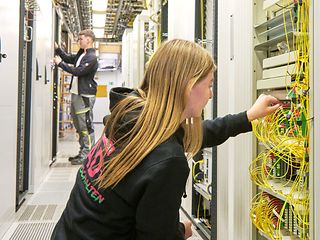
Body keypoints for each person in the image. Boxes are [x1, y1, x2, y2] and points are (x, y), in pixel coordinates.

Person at [51, 39, 280, 239]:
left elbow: (193, 135)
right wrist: (180, 231)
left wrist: (248, 117)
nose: (211, 94)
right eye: (209, 85)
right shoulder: (167, 161)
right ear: (188, 86)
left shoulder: (129, 114)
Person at [54, 29, 98, 165]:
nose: (79, 41)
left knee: (86, 126)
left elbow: (79, 71)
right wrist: (58, 51)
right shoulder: (82, 54)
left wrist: (60, 63)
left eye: (81, 39)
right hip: (76, 94)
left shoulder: (91, 57)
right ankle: (82, 152)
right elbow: (70, 59)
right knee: (79, 126)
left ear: (89, 40)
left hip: (84, 95)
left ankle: (88, 155)